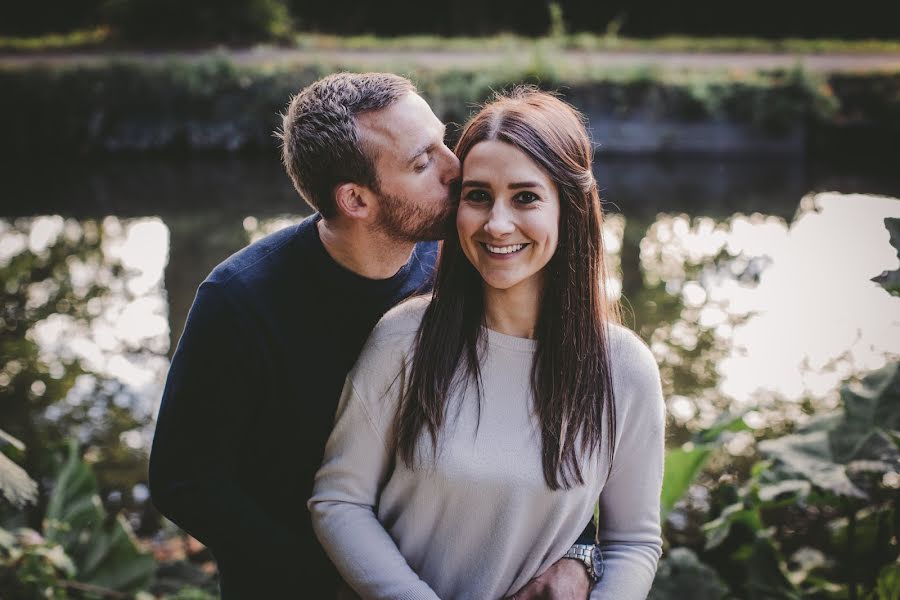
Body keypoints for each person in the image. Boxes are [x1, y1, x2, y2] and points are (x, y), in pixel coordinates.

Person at [149, 73, 597, 599]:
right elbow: (186, 481)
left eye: (441, 139)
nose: (454, 167)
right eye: (421, 162)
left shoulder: (463, 263)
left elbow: (549, 400)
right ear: (357, 200)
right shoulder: (240, 301)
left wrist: (579, 550)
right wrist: (323, 581)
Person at [309, 88, 666, 600]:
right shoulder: (404, 338)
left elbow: (632, 540)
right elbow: (339, 500)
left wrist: (586, 565)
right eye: (477, 196)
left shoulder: (624, 369)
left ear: (569, 208)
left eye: (525, 197)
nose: (497, 224)